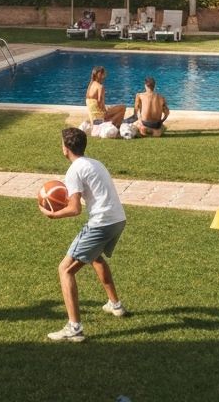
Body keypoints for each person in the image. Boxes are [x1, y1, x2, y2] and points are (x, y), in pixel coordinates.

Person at [39, 126, 127, 342]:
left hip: (101, 223)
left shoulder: (74, 171)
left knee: (65, 270)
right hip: (118, 219)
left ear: (65, 148)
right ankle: (115, 305)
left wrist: (52, 214)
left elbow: (75, 208)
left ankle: (74, 328)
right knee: (95, 258)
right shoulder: (95, 163)